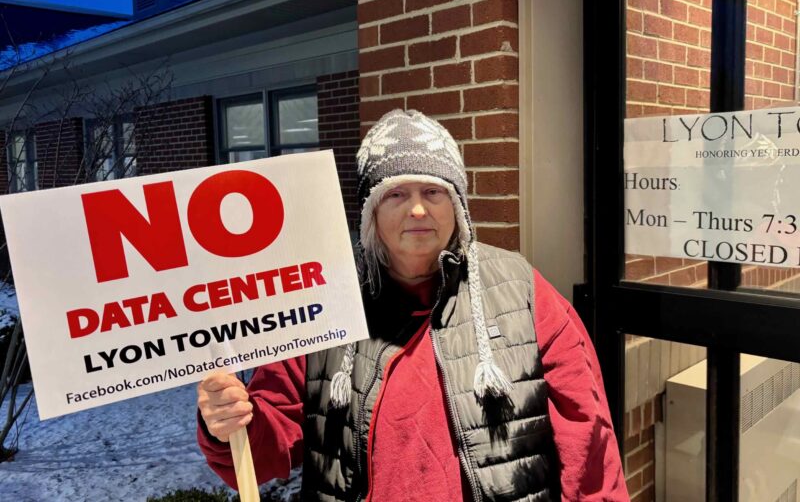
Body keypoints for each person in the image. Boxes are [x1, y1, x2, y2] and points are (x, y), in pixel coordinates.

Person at [197, 109, 629, 501]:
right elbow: (265, 448)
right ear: (370, 211)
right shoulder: (326, 303)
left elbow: (588, 441)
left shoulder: (521, 291)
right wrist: (229, 424)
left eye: (433, 191)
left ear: (457, 205)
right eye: (396, 194)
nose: (418, 209)